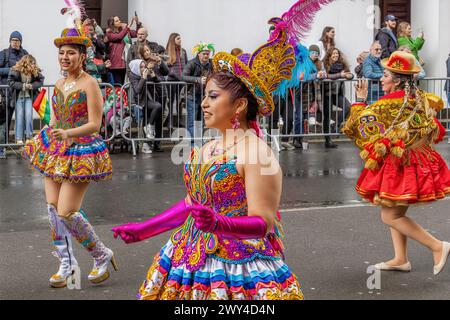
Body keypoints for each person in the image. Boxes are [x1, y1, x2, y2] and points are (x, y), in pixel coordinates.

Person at [112, 25, 303, 300]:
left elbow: (263, 222)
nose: (203, 103)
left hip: (237, 267)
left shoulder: (257, 154)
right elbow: (193, 204)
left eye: (213, 96)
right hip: (188, 256)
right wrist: (144, 229)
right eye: (205, 95)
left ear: (238, 106)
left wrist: (219, 224)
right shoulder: (209, 148)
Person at [22, 24, 117, 288]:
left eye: (71, 53)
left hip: (81, 149)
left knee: (67, 211)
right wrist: (51, 131)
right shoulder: (61, 82)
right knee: (53, 209)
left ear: (81, 56)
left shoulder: (91, 83)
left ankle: (101, 254)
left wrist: (67, 133)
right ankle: (66, 263)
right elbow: (57, 118)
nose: (65, 57)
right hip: (57, 148)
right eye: (62, 53)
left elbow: (95, 124)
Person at [342, 51, 450, 276]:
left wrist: (359, 102)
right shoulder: (418, 97)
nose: (381, 79)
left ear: (398, 80)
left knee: (390, 215)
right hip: (418, 159)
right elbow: (433, 129)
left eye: (385, 75)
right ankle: (401, 259)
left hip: (401, 164)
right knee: (393, 208)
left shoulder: (387, 103)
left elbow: (360, 127)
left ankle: (437, 246)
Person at [0, 31, 29, 158]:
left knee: (24, 119)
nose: (15, 42)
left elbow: (31, 67)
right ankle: (2, 147)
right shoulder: (4, 54)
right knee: (5, 119)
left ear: (20, 42)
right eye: (13, 40)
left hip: (22, 92)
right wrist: (11, 69)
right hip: (7, 92)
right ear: (10, 41)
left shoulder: (25, 54)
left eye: (17, 40)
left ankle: (25, 147)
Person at [7, 55, 44, 144]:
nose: (33, 65)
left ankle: (29, 137)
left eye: (34, 63)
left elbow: (41, 80)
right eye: (32, 63)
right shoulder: (15, 70)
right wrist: (23, 86)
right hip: (18, 97)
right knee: (19, 116)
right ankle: (19, 138)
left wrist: (32, 86)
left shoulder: (34, 70)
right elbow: (10, 81)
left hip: (29, 97)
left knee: (28, 115)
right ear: (26, 62)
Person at [129, 59, 164, 154]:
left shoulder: (145, 73)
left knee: (151, 116)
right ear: (136, 68)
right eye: (141, 67)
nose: (143, 68)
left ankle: (147, 142)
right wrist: (143, 78)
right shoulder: (133, 76)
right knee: (154, 110)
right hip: (140, 102)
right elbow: (137, 90)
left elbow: (159, 81)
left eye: (144, 66)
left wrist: (153, 76)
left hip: (148, 99)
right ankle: (147, 139)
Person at [182, 42, 214, 142]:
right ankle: (193, 142)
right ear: (199, 54)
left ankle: (198, 141)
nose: (206, 56)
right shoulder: (191, 63)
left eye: (207, 54)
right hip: (191, 95)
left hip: (204, 96)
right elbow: (183, 76)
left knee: (201, 120)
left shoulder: (211, 64)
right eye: (204, 53)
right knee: (192, 120)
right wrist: (198, 79)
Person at [322, 47, 353, 148]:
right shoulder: (325, 64)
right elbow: (325, 76)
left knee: (348, 107)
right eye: (333, 54)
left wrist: (349, 76)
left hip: (337, 94)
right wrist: (340, 75)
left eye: (337, 54)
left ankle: (335, 125)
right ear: (329, 55)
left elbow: (350, 74)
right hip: (326, 94)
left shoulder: (342, 65)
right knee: (327, 116)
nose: (336, 55)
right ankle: (328, 140)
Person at [105, 16, 140, 85]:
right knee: (118, 85)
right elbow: (119, 37)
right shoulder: (109, 34)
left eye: (119, 20)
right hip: (115, 64)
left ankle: (124, 96)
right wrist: (128, 26)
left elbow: (136, 33)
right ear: (112, 24)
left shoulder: (124, 30)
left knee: (125, 85)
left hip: (125, 63)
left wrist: (137, 23)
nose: (120, 21)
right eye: (117, 21)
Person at [166, 33, 188, 128]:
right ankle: (169, 121)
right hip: (171, 81)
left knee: (180, 101)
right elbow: (167, 68)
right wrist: (176, 76)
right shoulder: (167, 52)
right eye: (178, 38)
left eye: (180, 38)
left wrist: (185, 76)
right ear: (173, 40)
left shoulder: (183, 51)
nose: (180, 40)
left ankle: (179, 120)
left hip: (181, 81)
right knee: (170, 101)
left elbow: (186, 65)